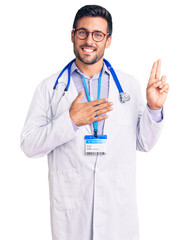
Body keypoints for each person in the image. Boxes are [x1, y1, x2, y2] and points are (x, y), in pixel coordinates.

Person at [20, 4, 169, 240]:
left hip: (118, 215)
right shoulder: (50, 88)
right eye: (83, 32)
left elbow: (145, 143)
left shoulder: (128, 86)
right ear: (72, 35)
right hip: (72, 215)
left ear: (108, 40)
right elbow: (29, 145)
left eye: (98, 34)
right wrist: (70, 121)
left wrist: (154, 107)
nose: (89, 40)